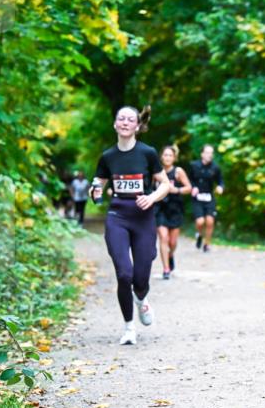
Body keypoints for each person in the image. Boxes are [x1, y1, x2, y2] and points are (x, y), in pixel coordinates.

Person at [90, 105, 171, 345]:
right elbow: (99, 183)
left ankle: (142, 299)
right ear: (115, 124)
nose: (125, 122)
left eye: (130, 119)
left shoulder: (148, 153)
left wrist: (152, 197)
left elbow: (165, 184)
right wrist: (96, 192)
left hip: (143, 218)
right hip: (117, 216)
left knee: (141, 277)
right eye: (121, 118)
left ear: (137, 126)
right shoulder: (108, 156)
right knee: (124, 274)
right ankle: (128, 328)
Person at [154, 145, 192, 279]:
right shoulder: (156, 171)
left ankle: (170, 255)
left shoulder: (178, 171)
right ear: (161, 157)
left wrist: (177, 190)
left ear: (174, 157)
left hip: (175, 208)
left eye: (170, 155)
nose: (167, 157)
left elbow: (189, 188)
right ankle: (166, 269)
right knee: (163, 238)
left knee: (172, 242)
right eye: (165, 155)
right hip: (160, 209)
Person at [188, 144, 224, 253]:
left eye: (211, 153)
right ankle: (199, 235)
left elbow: (220, 181)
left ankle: (207, 244)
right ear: (202, 154)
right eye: (207, 152)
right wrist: (192, 187)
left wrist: (220, 187)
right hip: (197, 198)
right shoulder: (193, 165)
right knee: (200, 222)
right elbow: (188, 180)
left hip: (209, 197)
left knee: (210, 221)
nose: (209, 155)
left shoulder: (215, 168)